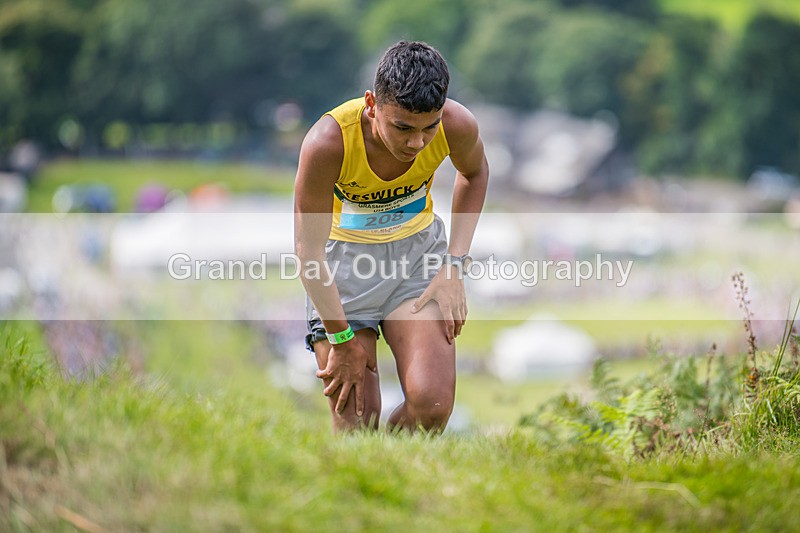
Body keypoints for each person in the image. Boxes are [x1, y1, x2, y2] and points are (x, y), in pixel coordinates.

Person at [294, 41, 489, 433]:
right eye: (402, 127)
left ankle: (397, 474)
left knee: (432, 407)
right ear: (371, 104)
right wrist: (341, 337)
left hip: (417, 262)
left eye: (428, 128)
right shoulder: (327, 143)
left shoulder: (458, 124)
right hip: (344, 269)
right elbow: (308, 253)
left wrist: (454, 265)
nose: (416, 143)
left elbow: (475, 173)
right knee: (357, 423)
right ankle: (365, 479)